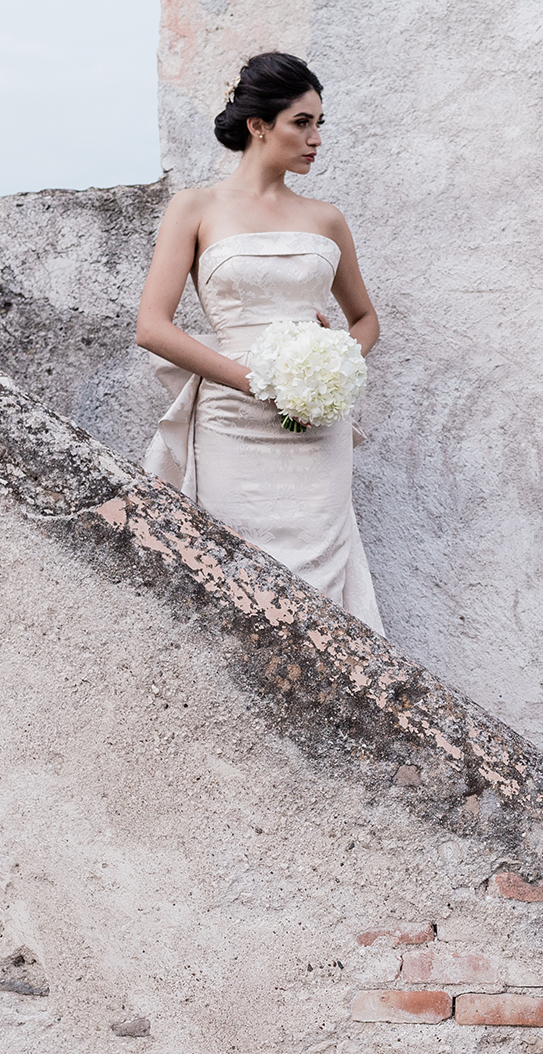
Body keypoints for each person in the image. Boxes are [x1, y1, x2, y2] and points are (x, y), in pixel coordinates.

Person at [134, 51, 383, 633]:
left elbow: (366, 319)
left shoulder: (327, 220)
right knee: (237, 575)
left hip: (316, 423)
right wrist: (257, 382)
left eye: (320, 123)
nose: (316, 138)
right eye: (303, 122)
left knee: (320, 584)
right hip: (231, 418)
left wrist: (338, 356)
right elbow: (153, 325)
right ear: (258, 125)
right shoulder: (195, 207)